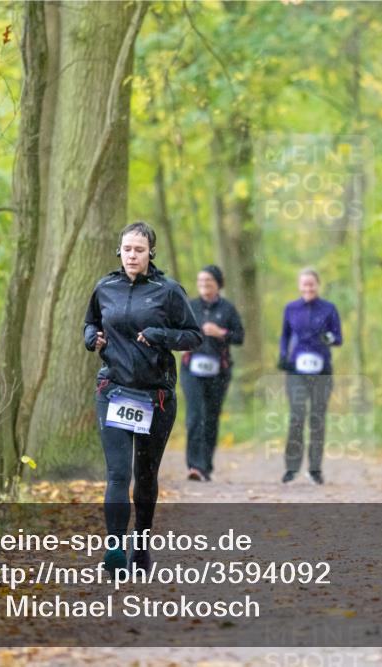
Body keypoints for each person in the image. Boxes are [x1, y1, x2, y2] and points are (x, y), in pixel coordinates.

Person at [83, 221, 201, 573]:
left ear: (151, 252)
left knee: (145, 477)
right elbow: (90, 323)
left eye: (139, 249)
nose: (132, 255)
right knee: (118, 474)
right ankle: (115, 548)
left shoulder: (168, 291)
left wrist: (160, 335)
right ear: (119, 251)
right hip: (114, 390)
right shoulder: (106, 287)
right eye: (127, 249)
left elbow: (193, 336)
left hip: (155, 396)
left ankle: (142, 546)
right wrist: (92, 338)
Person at [277, 268, 342, 485]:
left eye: (311, 284)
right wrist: (282, 356)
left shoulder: (329, 309)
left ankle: (315, 469)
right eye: (304, 284)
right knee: (297, 416)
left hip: (322, 370)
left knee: (317, 419)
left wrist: (329, 338)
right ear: (299, 286)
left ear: (318, 285)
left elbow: (338, 338)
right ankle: (292, 468)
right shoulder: (291, 308)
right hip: (296, 369)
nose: (308, 288)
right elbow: (285, 336)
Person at [180, 265, 245, 482]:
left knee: (210, 417)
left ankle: (205, 466)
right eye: (200, 281)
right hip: (192, 369)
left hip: (219, 371)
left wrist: (221, 333)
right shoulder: (190, 307)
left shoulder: (227, 309)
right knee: (195, 416)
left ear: (218, 284)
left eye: (208, 281)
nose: (204, 285)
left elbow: (239, 337)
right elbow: (177, 333)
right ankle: (194, 466)